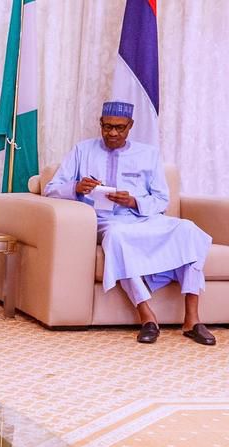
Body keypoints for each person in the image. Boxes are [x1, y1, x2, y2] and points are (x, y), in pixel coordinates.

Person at [45, 101, 215, 345]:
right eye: (107, 127)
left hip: (145, 218)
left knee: (187, 230)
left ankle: (192, 319)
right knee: (117, 238)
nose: (112, 133)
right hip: (107, 221)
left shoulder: (148, 154)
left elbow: (161, 200)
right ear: (100, 125)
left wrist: (134, 201)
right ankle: (146, 316)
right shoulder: (82, 151)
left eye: (120, 128)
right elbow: (51, 190)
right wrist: (75, 187)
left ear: (130, 127)